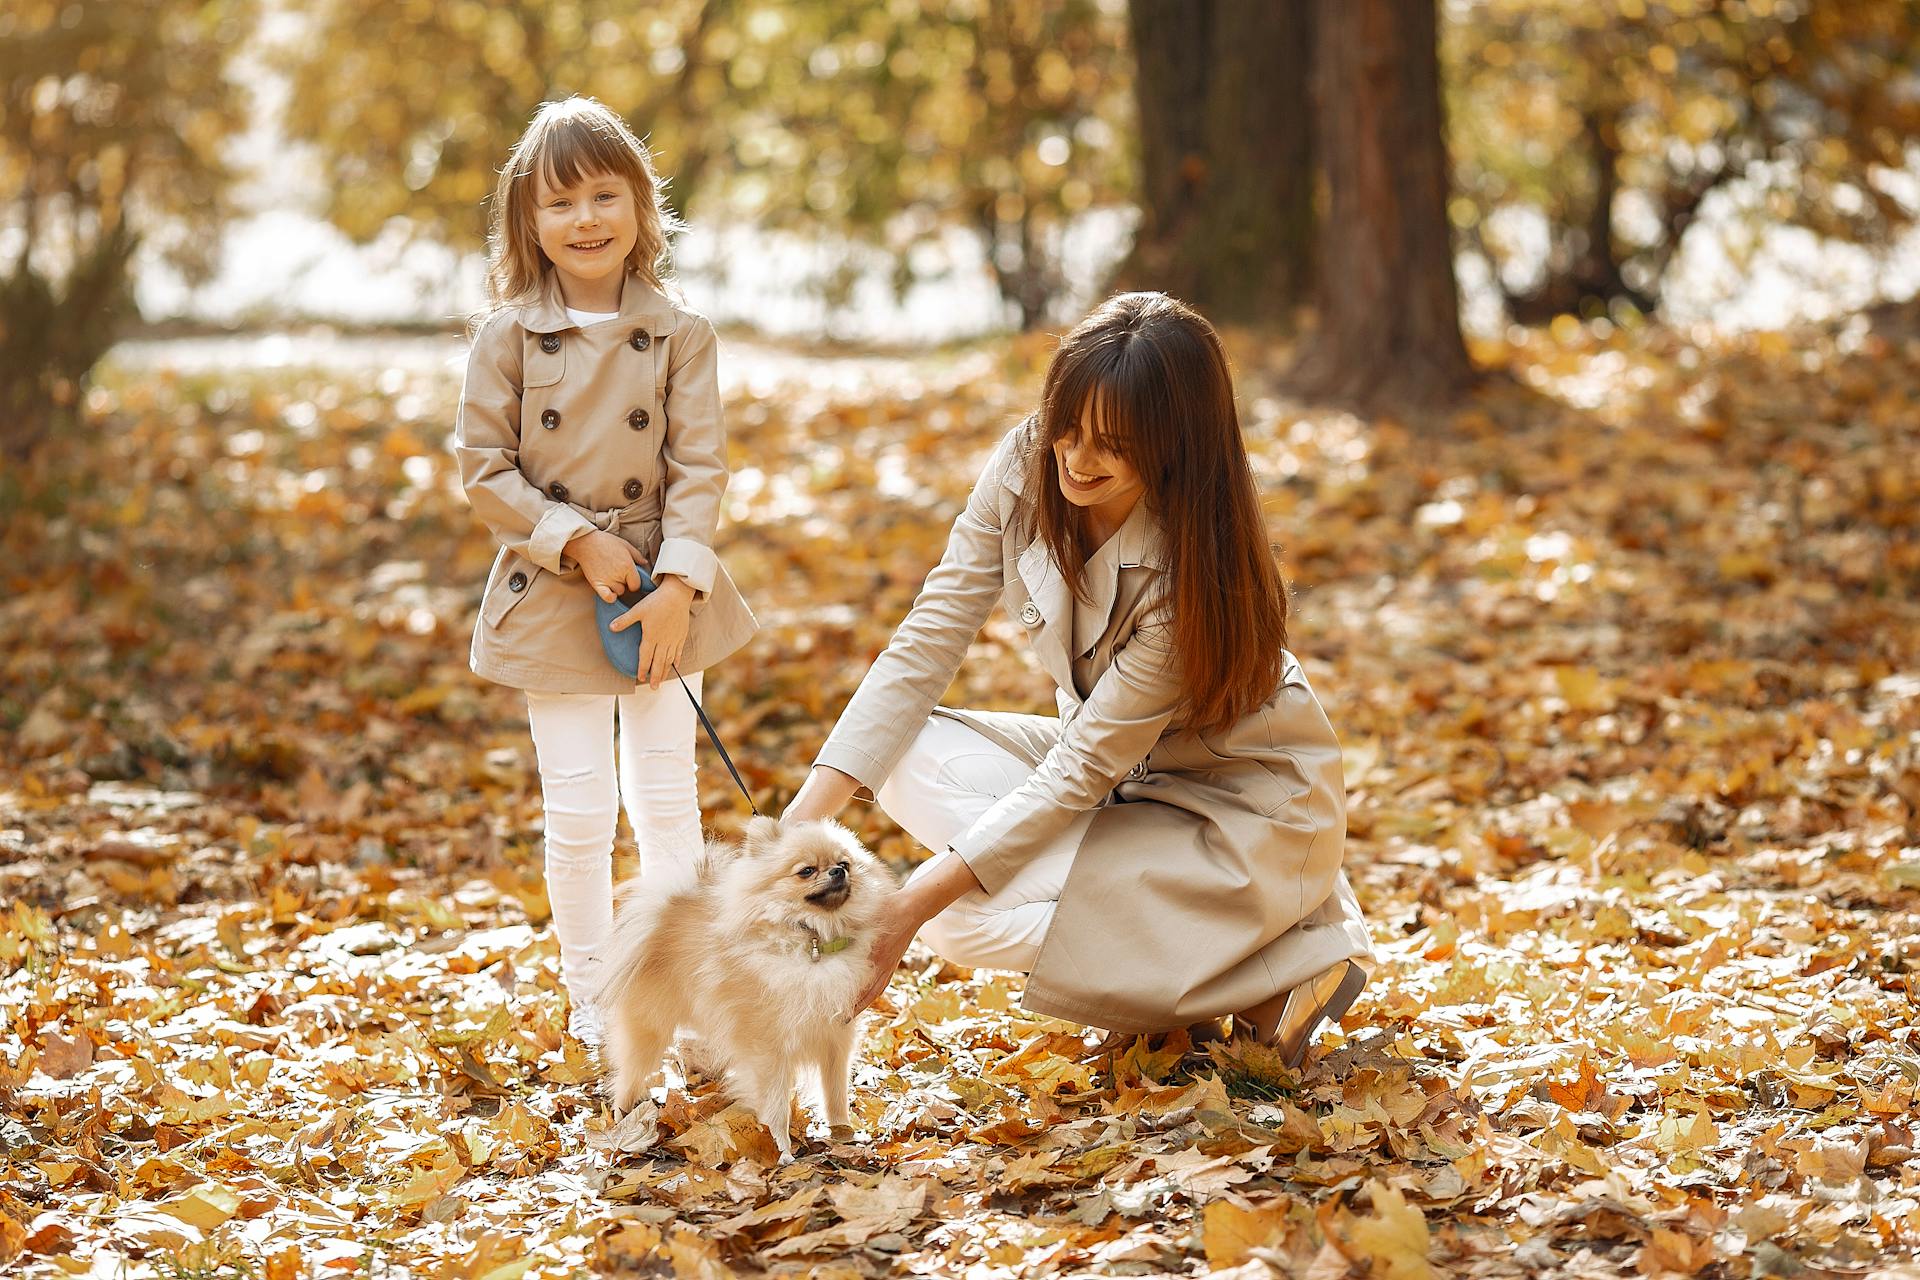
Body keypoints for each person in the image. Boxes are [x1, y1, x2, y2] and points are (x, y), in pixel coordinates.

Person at [784, 292, 1372, 1065]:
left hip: (1237, 810)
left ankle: (1275, 964)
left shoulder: (1187, 569)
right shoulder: (1029, 461)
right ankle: (1179, 976)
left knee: (958, 920)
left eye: (1113, 444)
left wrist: (906, 913)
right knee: (901, 753)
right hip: (1123, 781)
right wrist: (794, 829)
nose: (1077, 458)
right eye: (1069, 426)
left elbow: (1078, 769)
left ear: (1174, 445)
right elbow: (930, 637)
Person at [454, 97, 756, 1042]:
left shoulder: (681, 333)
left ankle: (690, 990)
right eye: (560, 204)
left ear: (640, 205)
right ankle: (596, 1000)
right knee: (579, 811)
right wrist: (575, 540)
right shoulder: (504, 338)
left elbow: (701, 469)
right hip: (554, 588)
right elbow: (482, 470)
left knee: (667, 798)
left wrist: (678, 588)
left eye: (603, 195)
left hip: (667, 586)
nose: (585, 220)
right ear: (528, 224)